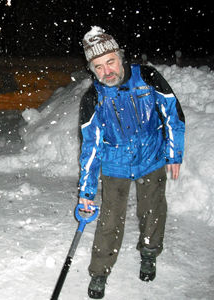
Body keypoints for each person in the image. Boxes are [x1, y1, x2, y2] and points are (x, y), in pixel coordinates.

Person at [78, 26, 185, 299]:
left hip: (151, 157)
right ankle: (100, 271)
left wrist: (174, 153)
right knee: (110, 219)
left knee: (153, 209)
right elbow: (90, 149)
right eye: (98, 67)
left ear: (120, 56)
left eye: (110, 61)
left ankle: (149, 252)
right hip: (115, 164)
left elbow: (172, 113)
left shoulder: (147, 77)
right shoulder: (93, 98)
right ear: (92, 69)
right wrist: (86, 193)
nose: (107, 71)